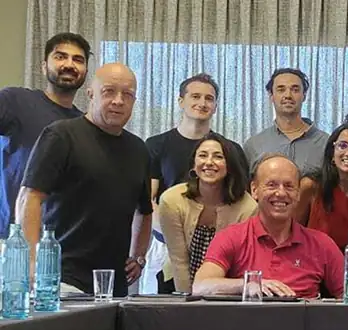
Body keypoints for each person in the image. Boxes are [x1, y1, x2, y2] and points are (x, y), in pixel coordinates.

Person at [17, 63, 153, 297]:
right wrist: (30, 263)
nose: (118, 101)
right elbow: (30, 197)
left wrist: (138, 257)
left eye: (127, 94)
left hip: (115, 286)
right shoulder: (61, 136)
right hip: (63, 282)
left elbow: (145, 210)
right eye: (109, 91)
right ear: (91, 94)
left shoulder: (139, 149)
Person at [143, 73, 247, 294]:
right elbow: (147, 200)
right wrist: (175, 231)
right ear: (181, 101)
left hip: (221, 249)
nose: (202, 103)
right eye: (195, 96)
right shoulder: (156, 145)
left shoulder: (232, 150)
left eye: (209, 99)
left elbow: (240, 201)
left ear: (216, 106)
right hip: (166, 245)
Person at [192, 154, 343, 298]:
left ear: (298, 193)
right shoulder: (231, 237)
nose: (281, 193)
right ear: (254, 190)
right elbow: (200, 286)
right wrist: (249, 284)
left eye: (289, 186)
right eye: (272, 185)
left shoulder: (322, 244)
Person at [0, 32, 90, 238]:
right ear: (43, 66)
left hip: (58, 242)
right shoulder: (15, 101)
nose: (69, 64)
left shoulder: (83, 124)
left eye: (78, 60)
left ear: (85, 72)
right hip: (11, 240)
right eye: (60, 57)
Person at [158, 134, 258, 293]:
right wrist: (188, 303)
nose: (209, 162)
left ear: (229, 165)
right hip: (177, 283)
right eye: (202, 156)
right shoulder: (171, 200)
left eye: (218, 157)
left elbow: (240, 263)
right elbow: (179, 261)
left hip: (225, 287)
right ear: (193, 164)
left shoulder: (248, 207)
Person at [298, 123, 348, 298]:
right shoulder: (311, 186)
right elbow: (291, 232)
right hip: (313, 276)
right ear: (331, 153)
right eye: (342, 146)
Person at [244, 68, 329, 176]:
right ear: (271, 96)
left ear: (304, 96)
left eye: (295, 90)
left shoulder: (326, 143)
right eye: (281, 89)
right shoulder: (253, 146)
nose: (288, 95)